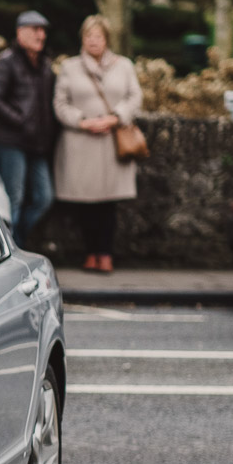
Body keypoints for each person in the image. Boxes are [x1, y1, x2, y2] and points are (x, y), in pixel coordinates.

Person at [52, 14, 143, 273]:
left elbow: (135, 96)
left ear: (106, 39)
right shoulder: (69, 67)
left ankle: (106, 253)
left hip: (111, 143)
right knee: (85, 203)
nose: (93, 41)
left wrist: (116, 118)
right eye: (88, 36)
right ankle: (90, 253)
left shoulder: (123, 65)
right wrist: (83, 122)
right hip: (80, 142)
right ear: (82, 39)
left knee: (108, 203)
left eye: (98, 36)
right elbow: (59, 104)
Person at [0, 10, 57, 247]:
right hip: (11, 141)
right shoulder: (6, 62)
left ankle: (17, 242)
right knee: (12, 199)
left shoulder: (45, 66)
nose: (41, 35)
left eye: (43, 30)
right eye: (35, 29)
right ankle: (9, 249)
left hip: (38, 145)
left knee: (44, 198)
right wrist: (21, 121)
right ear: (20, 33)